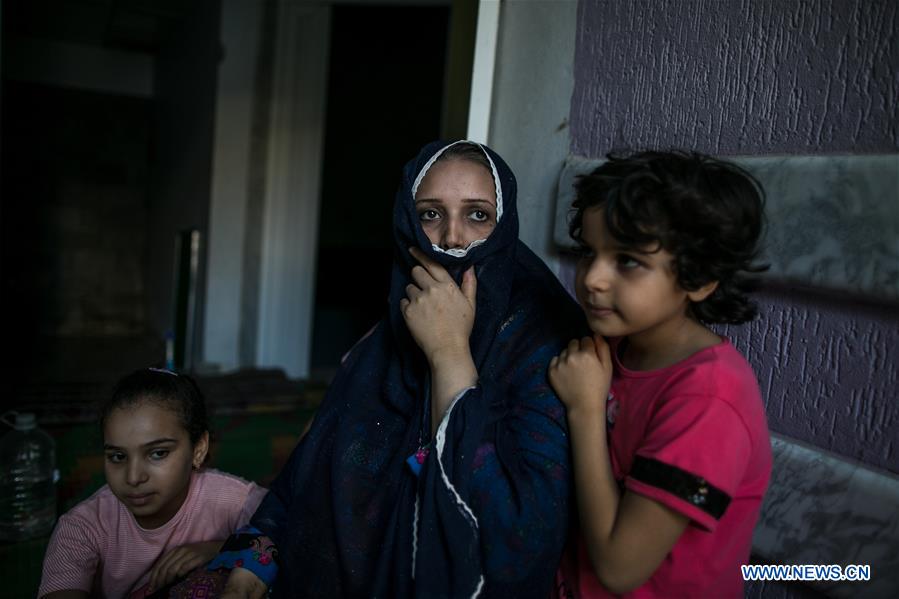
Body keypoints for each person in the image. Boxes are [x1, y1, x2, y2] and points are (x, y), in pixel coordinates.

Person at [216, 140, 587, 598]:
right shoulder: (388, 334)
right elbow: (313, 461)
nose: (452, 238)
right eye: (431, 214)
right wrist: (259, 557)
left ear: (504, 225)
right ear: (407, 224)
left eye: (477, 216)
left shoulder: (546, 343)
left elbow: (519, 535)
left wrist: (450, 352)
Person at [549, 150, 772, 598]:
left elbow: (618, 568)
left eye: (627, 260)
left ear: (699, 278)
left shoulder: (709, 399)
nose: (592, 277)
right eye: (589, 252)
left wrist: (586, 410)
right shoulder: (612, 346)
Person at [38, 368, 268, 599]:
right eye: (118, 457)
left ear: (198, 449)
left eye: (157, 453)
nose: (133, 477)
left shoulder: (232, 499)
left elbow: (289, 529)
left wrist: (220, 550)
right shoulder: (83, 528)